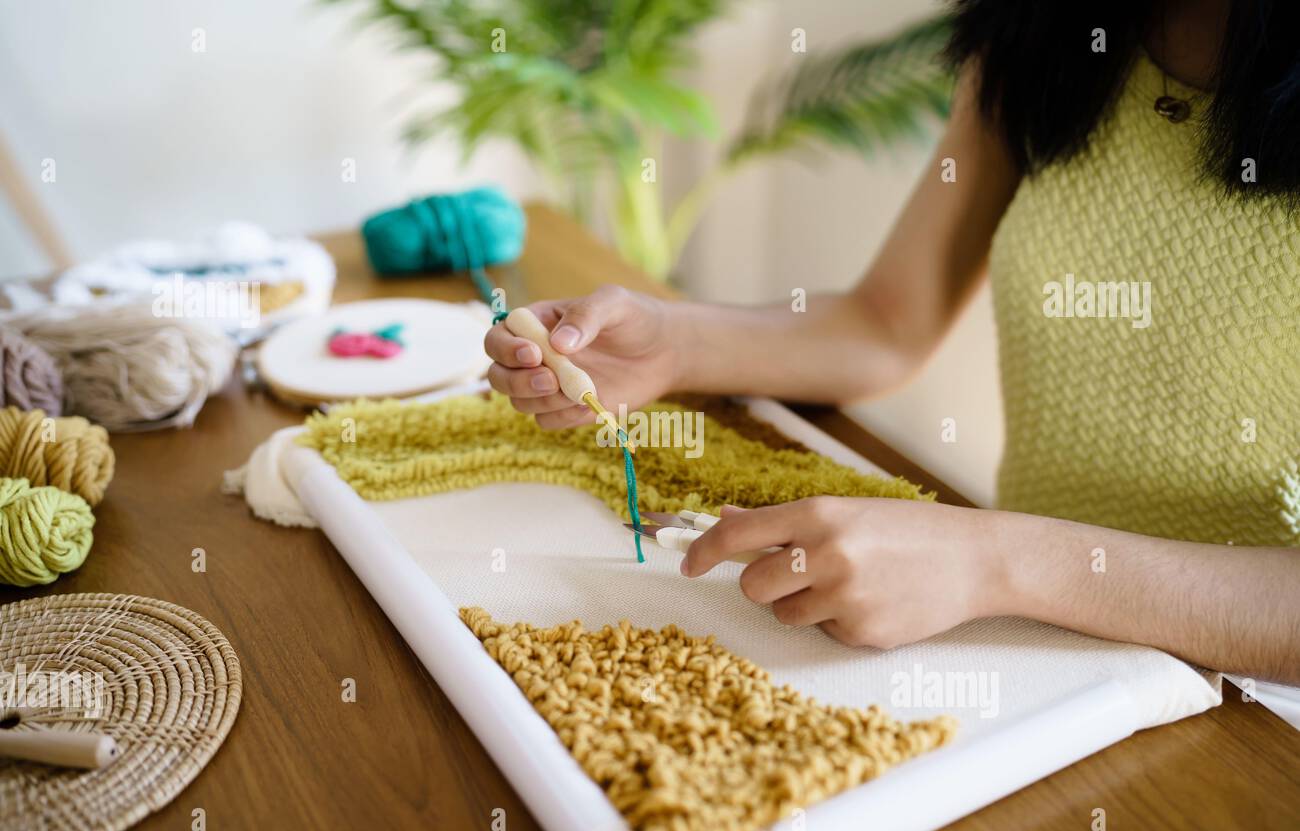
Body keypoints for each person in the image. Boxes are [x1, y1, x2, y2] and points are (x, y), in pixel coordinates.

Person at [483, 0, 1300, 684]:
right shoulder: (1048, 27)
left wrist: (991, 560)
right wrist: (672, 344)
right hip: (1033, 648)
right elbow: (888, 322)